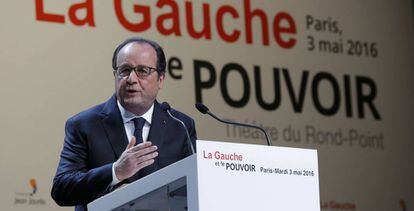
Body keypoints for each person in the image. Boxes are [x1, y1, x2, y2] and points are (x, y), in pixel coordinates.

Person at [51, 37, 197, 211]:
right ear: (115, 75)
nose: (131, 79)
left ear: (161, 79)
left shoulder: (180, 126)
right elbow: (61, 188)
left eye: (143, 70)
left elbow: (194, 184)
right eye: (125, 70)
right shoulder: (84, 125)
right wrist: (115, 172)